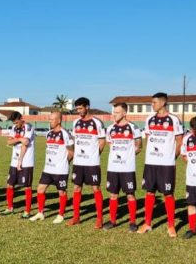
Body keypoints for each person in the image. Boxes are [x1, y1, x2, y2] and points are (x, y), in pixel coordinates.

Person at [137, 92, 184, 238]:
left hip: (166, 164)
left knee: (168, 193)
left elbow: (180, 141)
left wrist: (172, 157)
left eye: (154, 102)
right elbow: (148, 138)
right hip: (151, 162)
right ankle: (147, 223)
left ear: (163, 103)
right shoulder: (149, 119)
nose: (152, 105)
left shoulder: (173, 120)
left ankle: (171, 225)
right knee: (149, 192)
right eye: (152, 102)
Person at [68, 97, 107, 228]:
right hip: (78, 162)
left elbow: (102, 141)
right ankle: (76, 217)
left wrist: (95, 155)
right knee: (76, 187)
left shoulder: (97, 122)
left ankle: (99, 218)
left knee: (95, 188)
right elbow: (74, 140)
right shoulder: (75, 123)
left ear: (87, 107)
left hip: (92, 163)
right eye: (77, 109)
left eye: (80, 108)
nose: (78, 111)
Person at [103, 103, 142, 231]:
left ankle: (132, 222)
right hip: (113, 168)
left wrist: (128, 156)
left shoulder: (133, 128)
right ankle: (112, 221)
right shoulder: (110, 129)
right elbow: (110, 145)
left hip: (127, 168)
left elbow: (139, 146)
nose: (114, 114)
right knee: (113, 195)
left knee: (130, 195)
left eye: (117, 112)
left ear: (124, 113)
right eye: (114, 112)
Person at [30, 111, 73, 223]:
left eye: (52, 119)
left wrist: (63, 162)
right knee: (40, 189)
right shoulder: (48, 133)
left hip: (60, 170)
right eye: (49, 119)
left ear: (59, 120)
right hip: (48, 169)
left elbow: (71, 152)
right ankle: (40, 213)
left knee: (61, 192)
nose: (50, 121)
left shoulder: (65, 134)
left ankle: (61, 215)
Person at [3, 112, 35, 218]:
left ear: (21, 118)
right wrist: (19, 139)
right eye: (14, 123)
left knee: (27, 186)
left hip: (26, 161)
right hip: (14, 161)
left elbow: (25, 143)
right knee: (9, 184)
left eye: (17, 122)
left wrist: (20, 161)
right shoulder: (14, 128)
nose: (16, 124)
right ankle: (10, 208)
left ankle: (27, 211)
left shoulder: (29, 127)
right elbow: (8, 142)